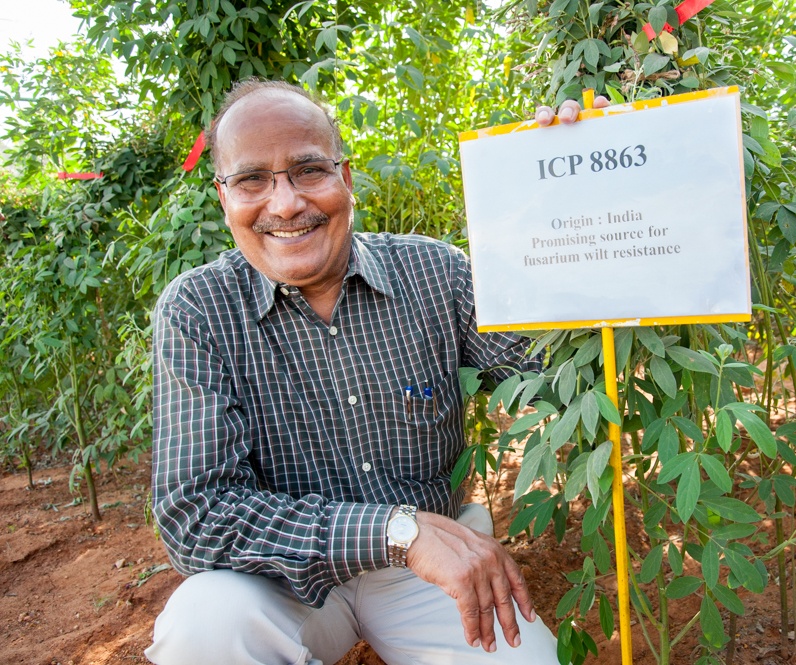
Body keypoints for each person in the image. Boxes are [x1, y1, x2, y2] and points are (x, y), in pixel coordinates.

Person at [145, 78, 606, 665]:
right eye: (253, 179)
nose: (285, 203)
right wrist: (395, 532)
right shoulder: (199, 310)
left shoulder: (434, 272)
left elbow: (553, 373)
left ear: (347, 179)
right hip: (280, 581)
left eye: (309, 170)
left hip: (431, 574)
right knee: (203, 630)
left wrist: (581, 195)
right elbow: (196, 513)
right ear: (223, 197)